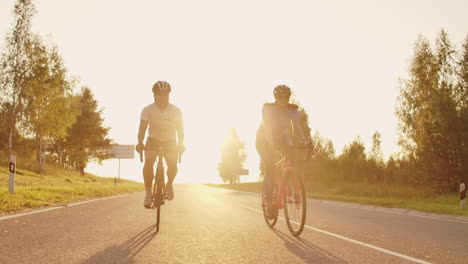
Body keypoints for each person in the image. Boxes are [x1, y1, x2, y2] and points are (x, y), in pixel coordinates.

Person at [256, 84, 312, 217]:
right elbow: (268, 127)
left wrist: (305, 142)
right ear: (275, 97)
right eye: (280, 97)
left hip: (281, 136)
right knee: (269, 167)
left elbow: (297, 129)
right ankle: (269, 203)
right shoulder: (268, 109)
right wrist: (271, 144)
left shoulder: (293, 111)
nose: (283, 100)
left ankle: (287, 179)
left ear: (288, 97)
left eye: (286, 97)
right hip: (263, 138)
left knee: (290, 154)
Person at [136, 81, 185, 208]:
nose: (163, 97)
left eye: (165, 94)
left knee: (172, 163)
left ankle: (169, 185)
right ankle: (148, 195)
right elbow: (142, 129)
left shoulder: (176, 111)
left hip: (170, 141)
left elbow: (180, 130)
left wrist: (181, 144)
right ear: (154, 95)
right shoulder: (148, 110)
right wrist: (140, 143)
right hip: (153, 140)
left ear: (169, 95)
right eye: (160, 94)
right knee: (149, 163)